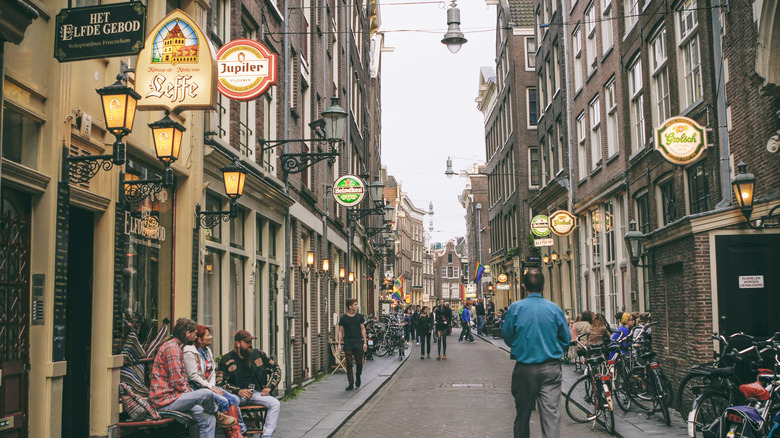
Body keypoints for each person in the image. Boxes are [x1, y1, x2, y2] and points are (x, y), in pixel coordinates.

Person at [502, 268, 570, 438]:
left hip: (525, 369)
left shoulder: (515, 308)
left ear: (524, 286)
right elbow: (566, 339)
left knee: (523, 416)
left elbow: (507, 336)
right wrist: (552, 346)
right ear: (544, 286)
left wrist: (521, 346)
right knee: (551, 417)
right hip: (551, 369)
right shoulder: (554, 309)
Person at [149, 318, 234, 437]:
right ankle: (217, 413)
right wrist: (195, 397)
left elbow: (181, 381)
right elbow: (177, 382)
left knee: (209, 419)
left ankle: (215, 415)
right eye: (194, 334)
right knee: (207, 394)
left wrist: (193, 397)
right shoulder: (172, 348)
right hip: (165, 400)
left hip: (175, 396)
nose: (195, 337)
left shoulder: (177, 347)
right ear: (187, 333)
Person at [217, 330, 282, 438]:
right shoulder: (227, 359)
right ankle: (242, 433)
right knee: (232, 402)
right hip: (236, 395)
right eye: (247, 342)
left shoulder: (258, 355)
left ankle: (267, 436)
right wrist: (238, 391)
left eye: (251, 342)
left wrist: (269, 387)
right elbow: (220, 383)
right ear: (238, 343)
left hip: (256, 393)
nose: (250, 345)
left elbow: (276, 369)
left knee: (275, 403)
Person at [183, 325, 244, 436]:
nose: (211, 337)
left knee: (233, 399)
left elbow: (212, 372)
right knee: (224, 401)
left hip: (209, 387)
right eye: (208, 335)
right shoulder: (189, 352)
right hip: (197, 388)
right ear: (200, 339)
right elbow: (193, 376)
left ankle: (238, 432)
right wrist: (211, 388)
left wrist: (212, 387)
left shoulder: (207, 351)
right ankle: (232, 433)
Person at [336, 298, 368, 390]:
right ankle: (351, 383)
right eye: (355, 304)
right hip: (348, 343)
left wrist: (365, 342)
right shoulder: (343, 318)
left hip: (358, 342)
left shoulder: (360, 317)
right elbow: (340, 332)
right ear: (350, 306)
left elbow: (363, 329)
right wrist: (339, 344)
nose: (357, 306)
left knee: (359, 362)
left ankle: (358, 375)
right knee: (349, 363)